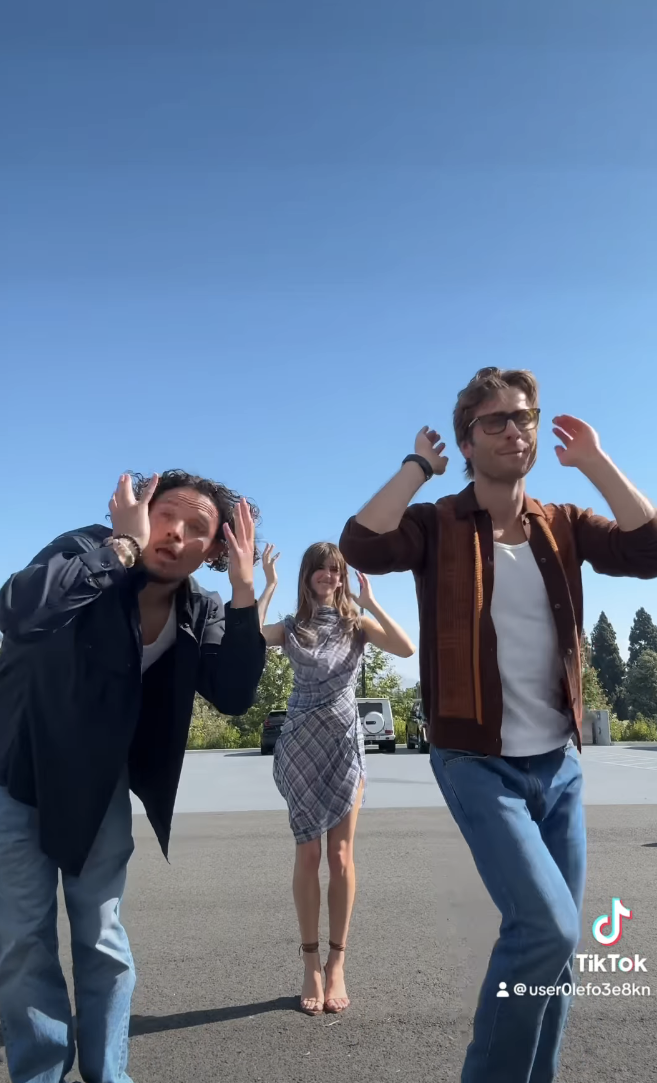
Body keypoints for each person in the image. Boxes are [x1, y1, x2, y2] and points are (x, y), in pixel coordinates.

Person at [339, 367, 657, 1083]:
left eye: (524, 417)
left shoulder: (563, 524)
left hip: (558, 766)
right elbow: (361, 544)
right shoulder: (436, 524)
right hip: (475, 758)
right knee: (545, 927)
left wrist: (598, 463)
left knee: (554, 948)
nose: (515, 429)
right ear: (467, 438)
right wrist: (417, 468)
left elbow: (647, 550)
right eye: (496, 421)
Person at [0, 470, 266, 1083]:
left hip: (98, 784)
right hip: (19, 770)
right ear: (138, 511)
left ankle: (107, 1074)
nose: (175, 533)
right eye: (164, 514)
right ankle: (40, 1071)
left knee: (102, 938)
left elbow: (233, 692)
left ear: (216, 549)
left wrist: (246, 591)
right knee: (22, 942)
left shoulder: (199, 607)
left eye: (199, 528)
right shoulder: (84, 550)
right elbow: (19, 613)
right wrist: (118, 549)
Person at [257, 541, 415, 1016]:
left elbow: (406, 648)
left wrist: (372, 603)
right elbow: (247, 637)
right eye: (320, 570)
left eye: (335, 569)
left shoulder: (356, 624)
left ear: (342, 576)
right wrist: (268, 585)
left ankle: (337, 962)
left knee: (341, 855)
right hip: (301, 746)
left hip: (346, 746)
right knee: (308, 853)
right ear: (307, 576)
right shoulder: (291, 629)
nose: (328, 575)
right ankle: (310, 964)